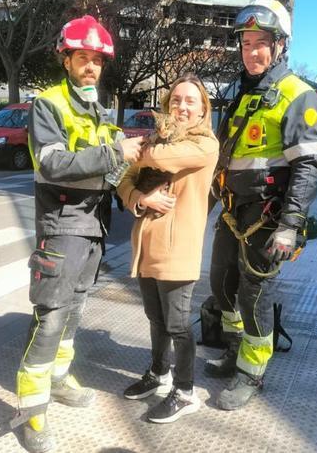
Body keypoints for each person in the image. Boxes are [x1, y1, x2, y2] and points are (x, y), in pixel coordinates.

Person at [13, 15, 145, 453]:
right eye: (82, 58)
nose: (91, 67)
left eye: (97, 60)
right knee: (50, 316)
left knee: (73, 311)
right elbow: (51, 164)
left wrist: (137, 165)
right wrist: (114, 152)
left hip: (93, 227)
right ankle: (33, 414)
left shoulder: (99, 110)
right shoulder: (49, 104)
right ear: (66, 59)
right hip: (63, 225)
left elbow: (113, 169)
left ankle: (58, 379)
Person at [204, 0, 317, 410]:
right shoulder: (245, 93)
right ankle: (233, 348)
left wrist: (290, 225)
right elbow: (226, 155)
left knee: (255, 295)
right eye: (245, 43)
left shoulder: (297, 95)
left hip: (267, 217)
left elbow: (308, 167)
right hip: (233, 210)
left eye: (260, 43)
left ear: (279, 46)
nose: (250, 51)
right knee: (221, 283)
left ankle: (251, 373)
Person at [116, 74, 218, 423]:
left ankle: (185, 391)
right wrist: (141, 199)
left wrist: (140, 152)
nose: (182, 106)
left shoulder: (206, 145)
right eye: (176, 100)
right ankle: (158, 374)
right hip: (146, 245)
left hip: (178, 249)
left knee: (178, 325)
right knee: (155, 319)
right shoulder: (155, 140)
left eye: (190, 100)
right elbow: (124, 180)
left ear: (204, 107)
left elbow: (161, 158)